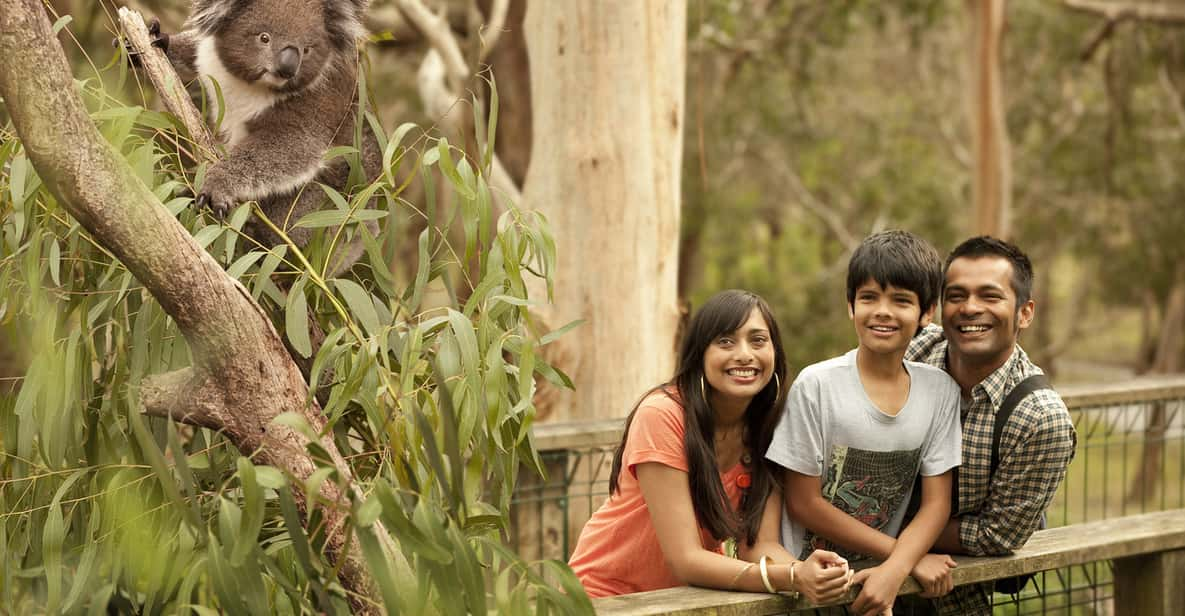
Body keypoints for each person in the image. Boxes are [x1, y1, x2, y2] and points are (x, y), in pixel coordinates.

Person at [569, 289, 853, 601]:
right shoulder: (663, 416)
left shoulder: (767, 427)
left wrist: (814, 573)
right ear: (699, 354)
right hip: (603, 599)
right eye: (725, 342)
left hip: (684, 601)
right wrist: (794, 576)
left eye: (758, 340)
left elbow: (758, 545)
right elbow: (685, 559)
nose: (744, 354)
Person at [767, 230, 963, 616]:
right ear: (851, 306)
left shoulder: (940, 391)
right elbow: (803, 502)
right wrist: (905, 560)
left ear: (927, 313)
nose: (882, 311)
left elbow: (936, 504)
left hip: (873, 587)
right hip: (804, 589)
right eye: (869, 297)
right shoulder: (817, 385)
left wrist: (893, 569)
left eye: (901, 301)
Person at [900, 236, 1077, 615]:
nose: (970, 308)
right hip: (850, 580)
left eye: (990, 296)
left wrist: (884, 532)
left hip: (951, 599)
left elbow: (997, 535)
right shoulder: (914, 349)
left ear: (1025, 313)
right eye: (956, 295)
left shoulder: (1040, 418)